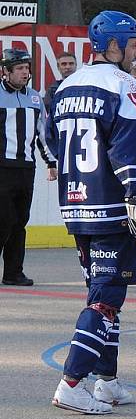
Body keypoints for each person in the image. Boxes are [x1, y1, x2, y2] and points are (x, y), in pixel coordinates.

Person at [47, 10, 136, 414]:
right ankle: (72, 383)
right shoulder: (125, 87)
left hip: (76, 204)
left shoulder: (66, 86)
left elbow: (50, 141)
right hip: (113, 206)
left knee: (102, 293)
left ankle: (108, 380)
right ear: (113, 45)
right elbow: (129, 152)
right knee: (106, 299)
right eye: (133, 43)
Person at [0, 48, 58, 286]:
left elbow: (42, 134)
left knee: (19, 222)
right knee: (3, 220)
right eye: (20, 69)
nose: (25, 73)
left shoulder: (35, 97)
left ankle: (13, 273)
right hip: (2, 168)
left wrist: (51, 162)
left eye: (27, 68)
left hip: (26, 168)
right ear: (6, 72)